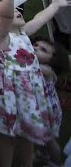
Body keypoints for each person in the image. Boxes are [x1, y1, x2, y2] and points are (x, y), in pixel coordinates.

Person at [0, 0, 70, 167]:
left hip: (29, 91)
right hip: (10, 91)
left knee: (28, 132)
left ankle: (27, 162)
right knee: (8, 135)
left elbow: (39, 19)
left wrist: (54, 6)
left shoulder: (23, 34)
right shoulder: (1, 37)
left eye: (17, 8)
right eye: (11, 9)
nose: (16, 10)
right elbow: (7, 17)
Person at [31, 35, 69, 166]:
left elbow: (30, 68)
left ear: (53, 60)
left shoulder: (47, 71)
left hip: (48, 113)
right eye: (35, 45)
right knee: (40, 138)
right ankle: (43, 155)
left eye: (43, 50)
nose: (36, 48)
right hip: (38, 109)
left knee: (49, 140)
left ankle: (57, 162)